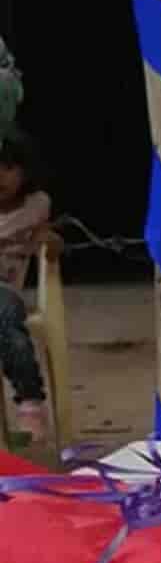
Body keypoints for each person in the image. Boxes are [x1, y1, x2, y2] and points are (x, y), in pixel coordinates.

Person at [0, 132, 53, 442]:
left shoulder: (36, 205)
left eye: (7, 167)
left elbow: (46, 238)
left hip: (4, 292)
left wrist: (51, 239)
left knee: (9, 325)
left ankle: (31, 401)